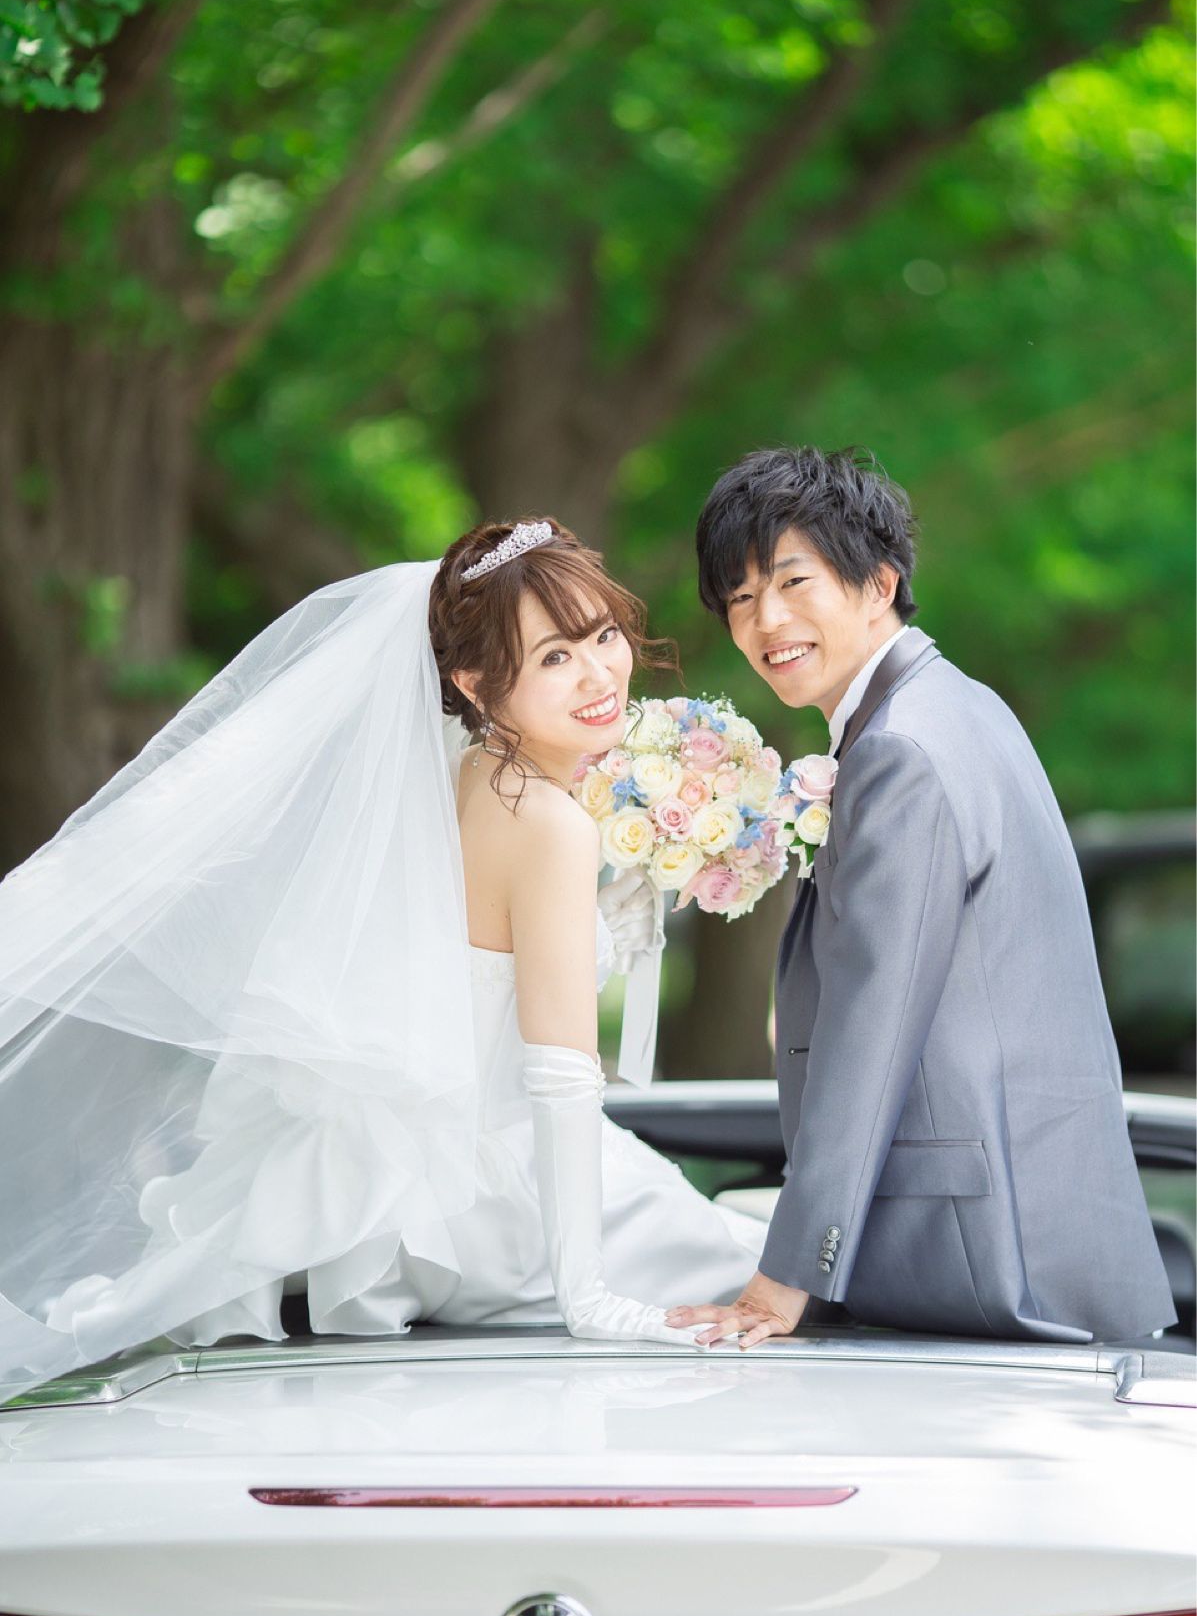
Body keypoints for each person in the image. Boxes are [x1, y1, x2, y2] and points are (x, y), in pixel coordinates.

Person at [0, 520, 762, 1404]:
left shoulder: (469, 773)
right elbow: (559, 1078)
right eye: (555, 656)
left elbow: (483, 966)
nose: (598, 674)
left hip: (408, 1172)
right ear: (474, 681)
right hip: (489, 1196)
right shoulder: (551, 824)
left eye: (602, 635)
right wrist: (585, 1297)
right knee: (762, 1272)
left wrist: (615, 904)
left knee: (752, 1244)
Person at [667, 446, 1176, 1349]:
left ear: (879, 583)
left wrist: (785, 1279)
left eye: (792, 581)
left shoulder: (898, 749)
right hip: (1036, 1235)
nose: (765, 619)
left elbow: (872, 1024)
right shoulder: (959, 705)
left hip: (986, 1258)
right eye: (739, 598)